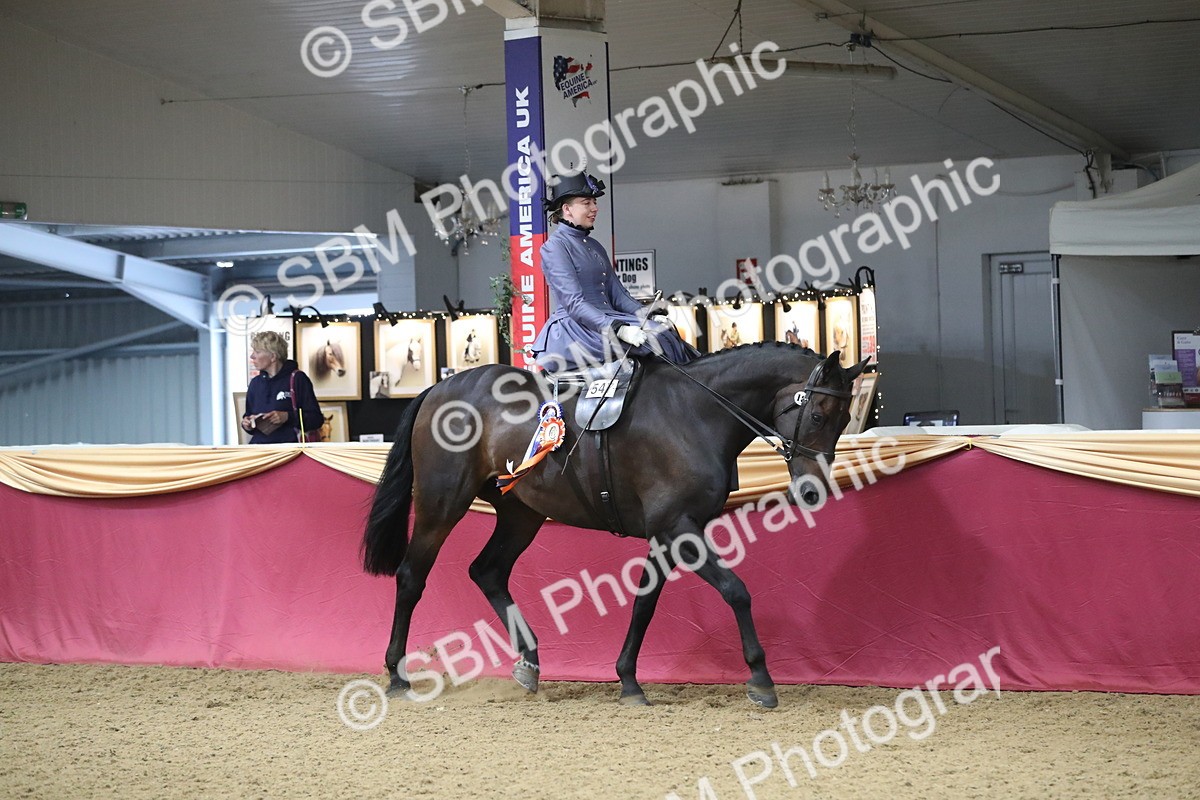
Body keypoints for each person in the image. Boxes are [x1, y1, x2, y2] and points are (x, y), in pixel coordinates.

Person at [529, 169, 698, 372]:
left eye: (595, 202)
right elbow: (574, 304)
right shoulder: (554, 247)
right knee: (657, 339)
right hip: (577, 328)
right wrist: (618, 329)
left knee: (666, 333)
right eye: (587, 203)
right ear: (567, 209)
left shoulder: (594, 245)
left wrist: (648, 316)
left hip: (607, 318)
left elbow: (618, 295)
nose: (594, 208)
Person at [241, 331, 325, 444]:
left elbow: (316, 419)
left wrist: (288, 417)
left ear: (273, 356)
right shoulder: (255, 383)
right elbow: (248, 416)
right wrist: (247, 424)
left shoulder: (298, 379)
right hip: (260, 452)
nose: (252, 356)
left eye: (257, 352)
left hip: (290, 453)